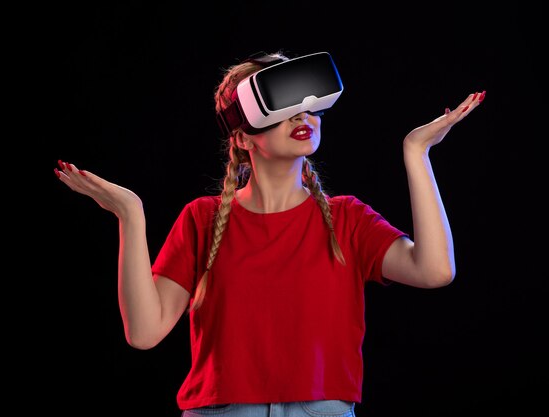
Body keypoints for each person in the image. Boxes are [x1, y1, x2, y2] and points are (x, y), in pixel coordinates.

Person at [54, 50, 486, 417]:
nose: (303, 116)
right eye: (282, 107)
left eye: (308, 104)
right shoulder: (202, 219)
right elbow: (144, 332)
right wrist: (131, 215)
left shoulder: (347, 219)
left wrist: (418, 152)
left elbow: (434, 270)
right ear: (243, 137)